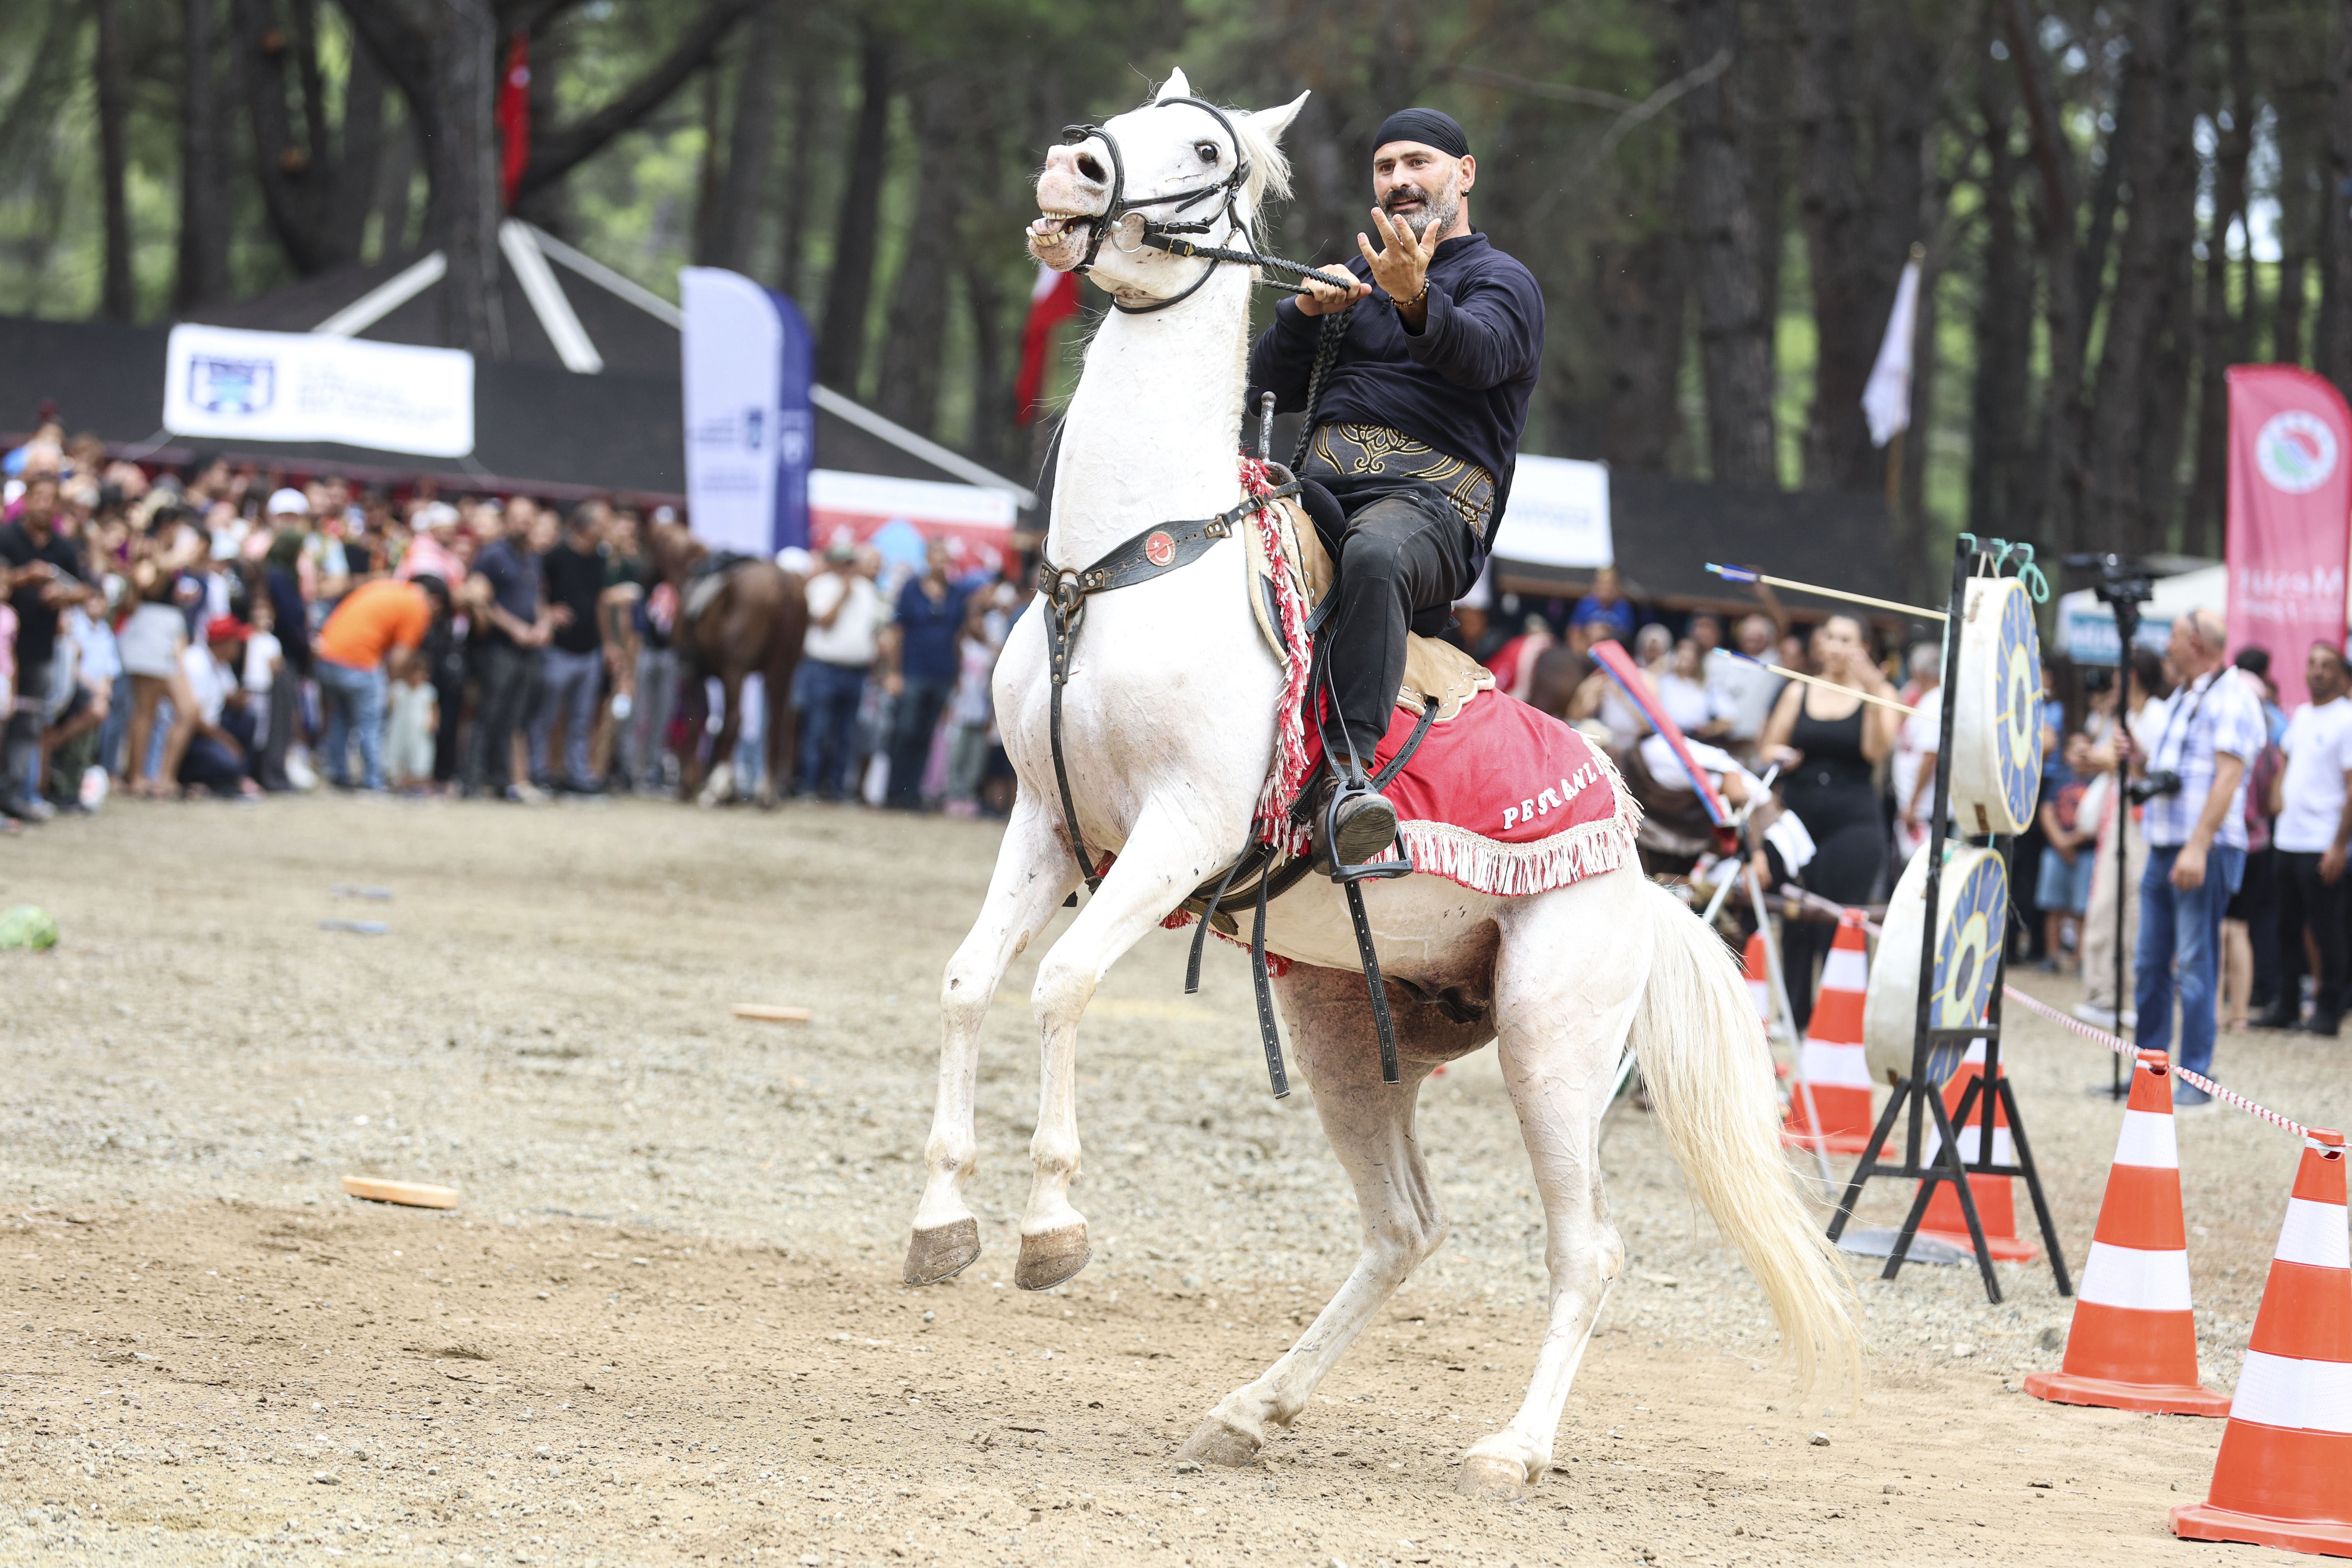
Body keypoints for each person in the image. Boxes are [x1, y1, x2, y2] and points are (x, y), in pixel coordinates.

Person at [1248, 105, 1543, 867]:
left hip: (1433, 516)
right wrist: (1304, 314)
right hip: (1316, 493)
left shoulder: (1502, 281)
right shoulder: (1349, 282)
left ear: (1465, 174)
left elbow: (1479, 356)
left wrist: (1414, 297)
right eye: (1386, 168)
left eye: (1419, 162)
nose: (1401, 180)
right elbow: (1255, 385)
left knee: (1376, 552)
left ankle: (1349, 782)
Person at [2129, 608, 2266, 1105]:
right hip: (2168, 845)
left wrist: (2198, 844)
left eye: (2173, 636)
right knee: (2149, 963)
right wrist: (2138, 761)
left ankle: (2196, 1078)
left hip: (2201, 848)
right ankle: (2151, 1074)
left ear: (2197, 644)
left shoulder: (2231, 697)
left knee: (2194, 962)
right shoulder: (2188, 696)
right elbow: (2179, 771)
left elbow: (2228, 778)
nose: (2166, 645)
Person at [1759, 614, 1901, 1029]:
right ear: (1820, 644)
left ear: (1864, 647)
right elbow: (1768, 744)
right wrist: (1778, 754)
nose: (1837, 646)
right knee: (1796, 914)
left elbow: (1876, 751)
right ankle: (1795, 1013)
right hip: (1799, 813)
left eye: (1847, 638)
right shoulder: (1797, 690)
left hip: (1853, 816)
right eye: (1832, 637)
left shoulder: (1881, 692)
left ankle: (1843, 1020)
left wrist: (1875, 690)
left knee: (1841, 921)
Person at [2259, 641, 2352, 1034]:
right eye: (2312, 663)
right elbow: (2288, 762)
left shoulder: (2346, 719)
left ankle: (2330, 1008)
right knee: (2287, 926)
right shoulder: (2299, 716)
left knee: (2328, 928)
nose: (2317, 671)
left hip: (2321, 841)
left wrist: (2338, 845)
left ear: (2342, 675)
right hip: (2289, 839)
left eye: (2326, 665)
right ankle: (2288, 1005)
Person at [314, 573, 450, 792]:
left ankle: (339, 775)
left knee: (340, 718)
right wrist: (390, 683)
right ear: (435, 600)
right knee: (372, 723)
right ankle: (374, 780)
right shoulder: (417, 606)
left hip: (327, 656)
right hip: (359, 661)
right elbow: (400, 657)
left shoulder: (387, 587)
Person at [0, 474, 84, 820]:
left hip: (40, 648)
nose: (45, 505)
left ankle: (15, 794)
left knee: (29, 724)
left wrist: (65, 595)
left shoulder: (63, 548)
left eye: (52, 499)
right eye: (39, 497)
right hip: (5, 651)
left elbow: (86, 589)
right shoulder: (7, 537)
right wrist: (25, 577)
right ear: (28, 500)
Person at [465, 504, 555, 802]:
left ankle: (502, 780)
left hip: (528, 649)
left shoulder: (532, 557)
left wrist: (543, 623)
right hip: (500, 647)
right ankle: (472, 781)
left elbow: (537, 598)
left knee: (514, 717)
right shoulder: (493, 554)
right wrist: (514, 628)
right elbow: (480, 599)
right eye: (518, 520)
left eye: (528, 520)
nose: (523, 525)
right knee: (488, 713)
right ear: (507, 521)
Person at [882, 537, 970, 810]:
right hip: (912, 673)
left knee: (926, 736)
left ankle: (911, 795)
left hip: (942, 675)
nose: (943, 562)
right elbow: (898, 632)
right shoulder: (911, 589)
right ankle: (893, 792)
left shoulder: (957, 594)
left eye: (947, 558)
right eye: (938, 557)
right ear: (928, 559)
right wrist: (894, 673)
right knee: (905, 732)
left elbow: (959, 637)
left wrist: (957, 675)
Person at [530, 503, 607, 794]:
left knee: (581, 719)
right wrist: (547, 613)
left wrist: (608, 645)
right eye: (603, 524)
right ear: (588, 528)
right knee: (546, 716)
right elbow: (534, 589)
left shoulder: (599, 559)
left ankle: (577, 774)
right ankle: (539, 771)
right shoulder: (557, 556)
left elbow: (600, 602)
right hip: (558, 650)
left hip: (590, 651)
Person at [797, 537, 882, 801]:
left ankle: (836, 788)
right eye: (843, 562)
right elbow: (824, 620)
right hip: (823, 668)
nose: (847, 567)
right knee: (818, 729)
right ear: (832, 563)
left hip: (856, 671)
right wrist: (843, 594)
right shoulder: (819, 587)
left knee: (846, 734)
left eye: (851, 562)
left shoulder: (867, 591)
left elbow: (877, 630)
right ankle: (809, 785)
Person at [176, 616, 262, 797]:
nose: (240, 647)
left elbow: (233, 699)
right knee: (227, 761)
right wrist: (228, 743)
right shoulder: (196, 663)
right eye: (237, 643)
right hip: (192, 737)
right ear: (224, 643)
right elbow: (195, 719)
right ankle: (198, 781)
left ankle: (241, 777)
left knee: (247, 719)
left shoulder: (221, 663)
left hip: (211, 730)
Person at [2035, 730, 2093, 972]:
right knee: (2053, 906)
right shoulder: (2058, 779)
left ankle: (2080, 959)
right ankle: (2052, 956)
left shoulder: (2098, 782)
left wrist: (2072, 842)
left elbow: (2098, 818)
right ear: (2066, 754)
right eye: (2075, 750)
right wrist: (2061, 842)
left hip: (2086, 852)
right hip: (2055, 851)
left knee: (2083, 909)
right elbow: (2047, 811)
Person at [1889, 641, 1943, 864]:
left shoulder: (1935, 702)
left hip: (1923, 809)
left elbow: (1930, 757)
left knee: (1920, 871)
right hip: (1917, 806)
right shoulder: (1927, 699)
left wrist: (1913, 805)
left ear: (1918, 671)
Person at [1568, 565, 1637, 647]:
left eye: (1609, 584)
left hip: (1612, 650)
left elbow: (1627, 635)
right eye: (1602, 583)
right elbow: (1574, 631)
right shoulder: (1586, 604)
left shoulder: (1623, 607)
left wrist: (1606, 632)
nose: (1606, 588)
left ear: (1617, 587)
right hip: (1587, 649)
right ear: (1596, 585)